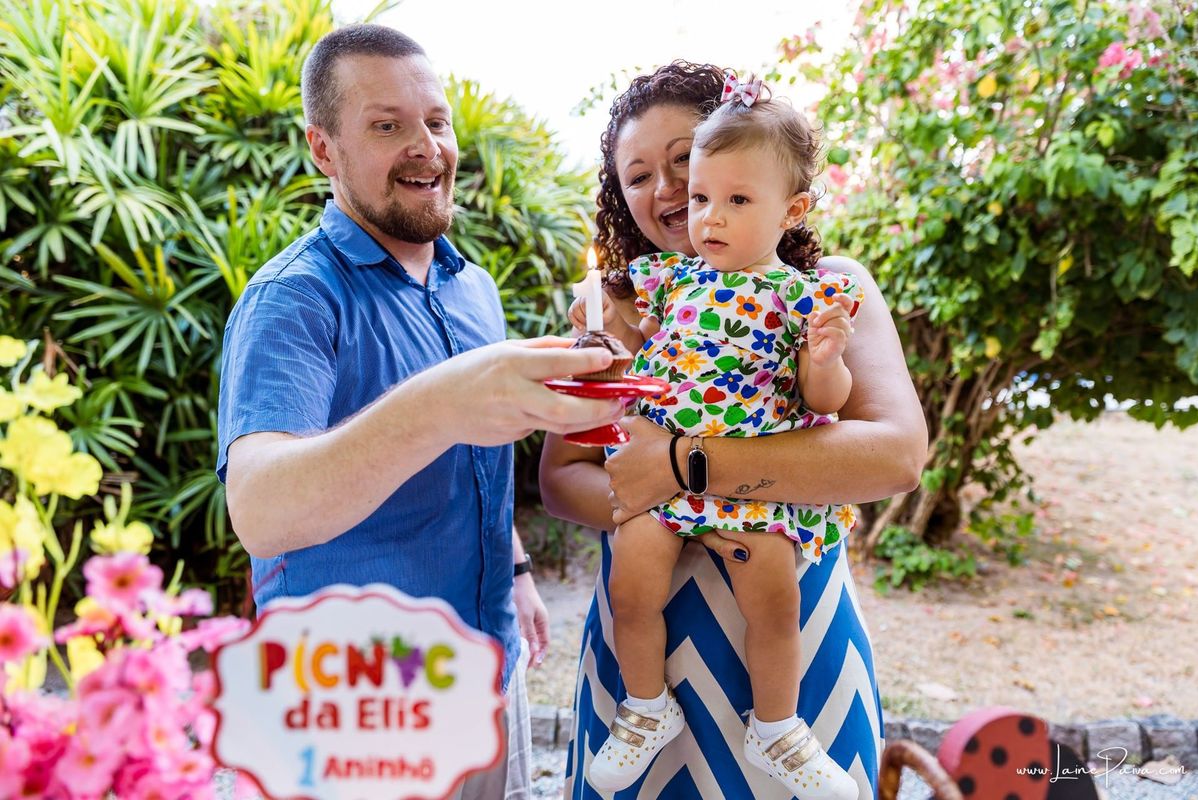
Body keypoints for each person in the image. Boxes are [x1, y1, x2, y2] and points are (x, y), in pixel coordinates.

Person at [215, 24, 624, 799]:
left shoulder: (474, 289)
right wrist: (440, 405)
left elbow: (474, 460)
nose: (425, 146)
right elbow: (261, 510)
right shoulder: (291, 301)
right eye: (386, 125)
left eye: (435, 121)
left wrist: (516, 566)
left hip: (486, 674)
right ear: (323, 149)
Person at [539, 61, 928, 800]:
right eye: (639, 175)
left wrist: (687, 469)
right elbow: (560, 480)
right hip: (641, 654)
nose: (671, 192)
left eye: (686, 160)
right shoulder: (617, 308)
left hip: (794, 640)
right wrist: (668, 514)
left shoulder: (826, 292)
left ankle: (778, 730)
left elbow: (895, 456)